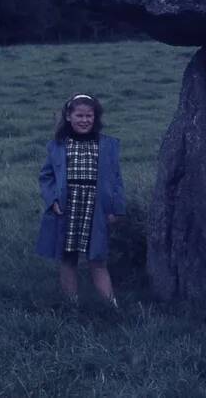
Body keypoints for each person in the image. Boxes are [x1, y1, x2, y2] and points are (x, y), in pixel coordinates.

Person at [35, 93, 126, 308]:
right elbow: (46, 176)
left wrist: (117, 208)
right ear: (69, 116)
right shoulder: (58, 145)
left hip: (96, 208)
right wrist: (52, 200)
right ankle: (71, 306)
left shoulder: (107, 145)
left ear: (95, 117)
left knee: (98, 259)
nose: (84, 120)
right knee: (68, 259)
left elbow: (116, 179)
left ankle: (110, 307)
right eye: (79, 115)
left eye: (89, 116)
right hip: (68, 207)